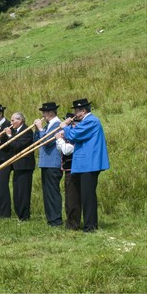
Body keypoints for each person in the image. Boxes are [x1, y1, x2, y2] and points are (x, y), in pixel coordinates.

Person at [60, 98, 110, 232]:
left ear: (84, 110)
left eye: (77, 111)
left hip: (90, 164)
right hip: (85, 164)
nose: (75, 114)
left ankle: (91, 226)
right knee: (85, 195)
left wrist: (65, 127)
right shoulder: (86, 121)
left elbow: (74, 135)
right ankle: (89, 224)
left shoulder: (91, 121)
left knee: (88, 196)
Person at [33, 102, 63, 227]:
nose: (43, 116)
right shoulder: (48, 125)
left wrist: (40, 129)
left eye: (44, 113)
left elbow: (47, 142)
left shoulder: (57, 125)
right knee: (47, 193)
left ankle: (56, 220)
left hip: (53, 164)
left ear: (50, 113)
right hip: (45, 163)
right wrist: (37, 130)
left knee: (53, 192)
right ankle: (50, 218)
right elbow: (37, 142)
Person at [4, 112, 35, 221]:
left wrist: (9, 136)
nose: (11, 123)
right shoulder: (15, 131)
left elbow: (18, 146)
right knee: (17, 193)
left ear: (20, 120)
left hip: (24, 166)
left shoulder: (27, 131)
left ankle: (25, 216)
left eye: (13, 121)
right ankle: (19, 214)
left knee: (23, 192)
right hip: (16, 166)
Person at [55, 113, 81, 230]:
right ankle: (70, 222)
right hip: (67, 168)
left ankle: (73, 224)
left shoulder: (75, 133)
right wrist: (60, 140)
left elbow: (67, 150)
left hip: (73, 169)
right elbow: (60, 149)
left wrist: (59, 139)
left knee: (73, 198)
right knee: (69, 198)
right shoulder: (69, 133)